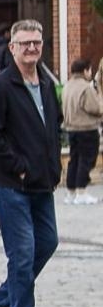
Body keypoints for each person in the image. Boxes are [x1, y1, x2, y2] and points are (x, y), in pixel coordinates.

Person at [0, 19, 62, 307]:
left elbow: (53, 126)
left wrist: (52, 166)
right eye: (25, 43)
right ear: (12, 47)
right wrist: (19, 166)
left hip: (43, 181)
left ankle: (0, 301)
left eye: (36, 43)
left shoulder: (46, 83)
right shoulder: (1, 87)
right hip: (11, 182)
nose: (31, 48)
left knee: (48, 241)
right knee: (22, 249)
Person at [61, 57, 103, 204]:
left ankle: (71, 192)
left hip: (71, 129)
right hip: (87, 129)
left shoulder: (67, 86)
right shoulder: (86, 88)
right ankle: (81, 191)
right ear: (85, 70)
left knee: (74, 159)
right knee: (86, 160)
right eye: (89, 70)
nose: (90, 73)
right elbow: (96, 109)